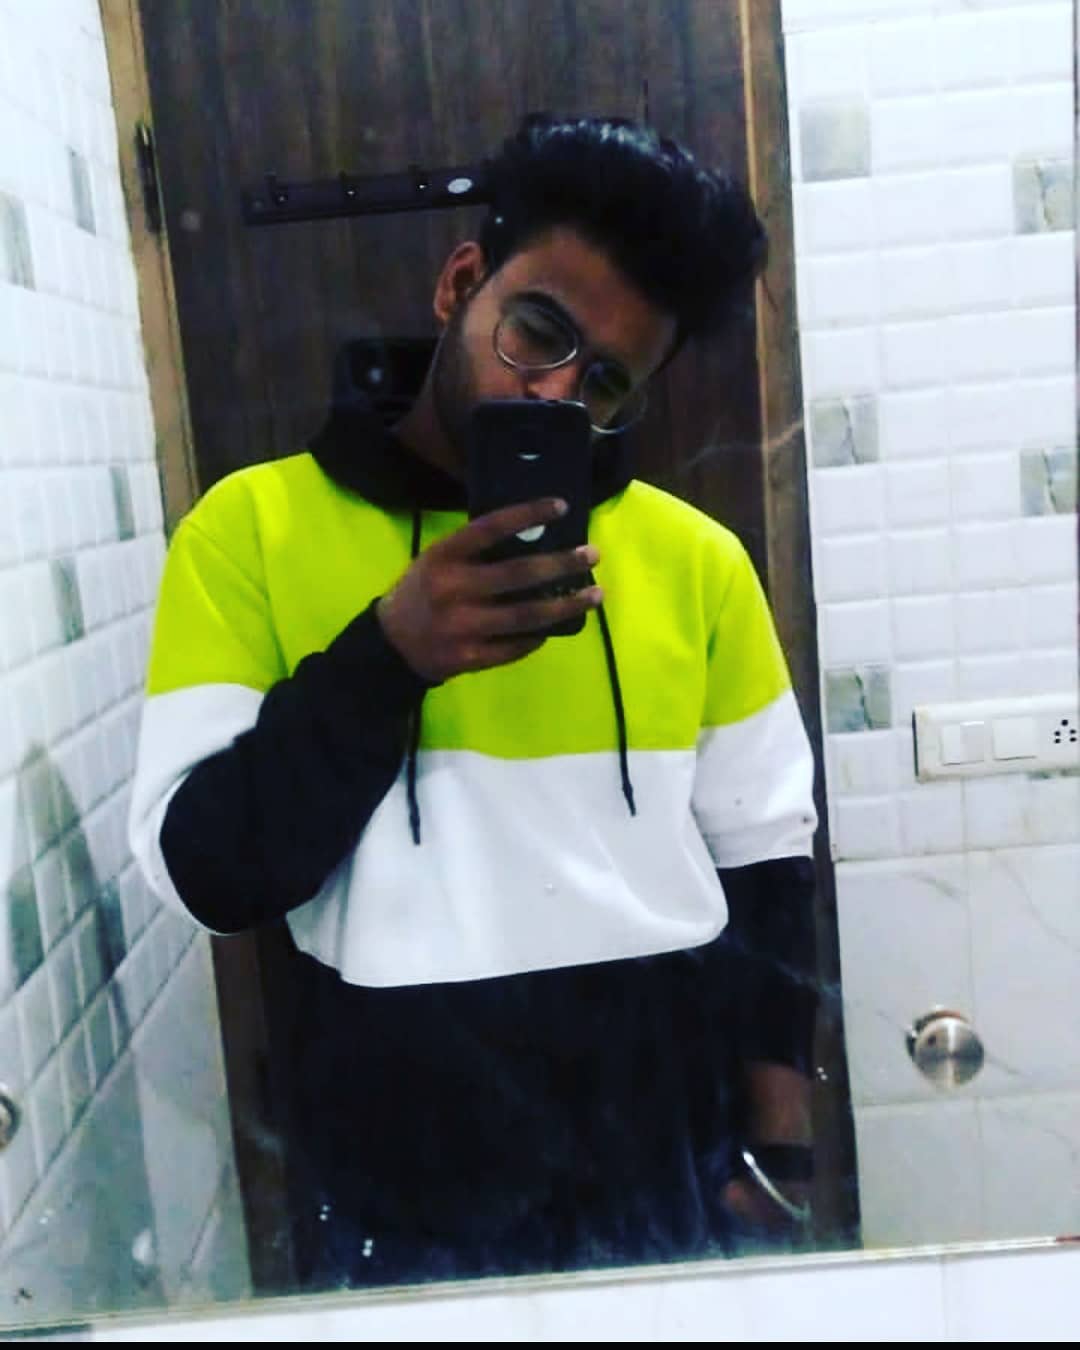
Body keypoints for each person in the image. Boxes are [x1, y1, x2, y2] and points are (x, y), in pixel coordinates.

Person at [128, 115, 820, 1289]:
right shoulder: (246, 532)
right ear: (460, 284)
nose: (553, 392)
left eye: (605, 383)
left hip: (661, 1141)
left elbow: (767, 865)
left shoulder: (697, 560)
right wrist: (385, 658)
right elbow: (209, 873)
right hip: (397, 1157)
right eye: (537, 332)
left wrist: (782, 1145)